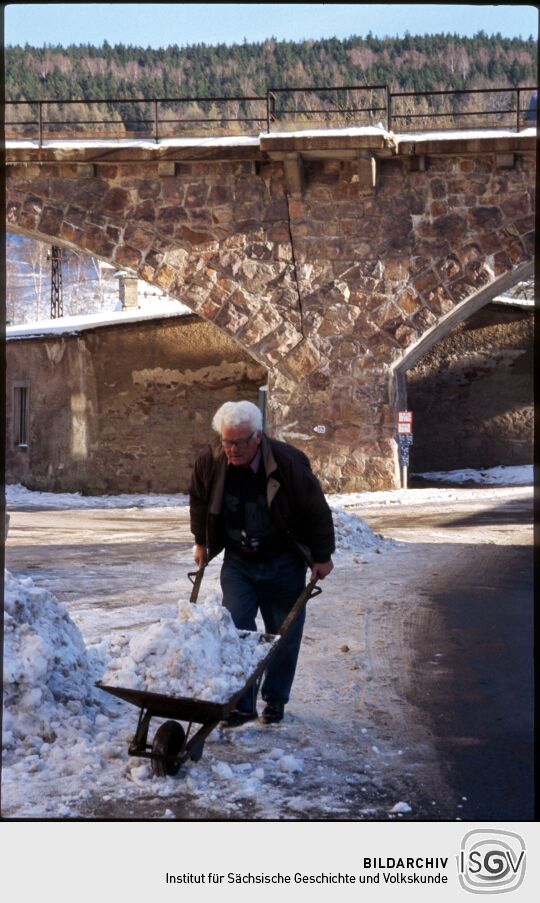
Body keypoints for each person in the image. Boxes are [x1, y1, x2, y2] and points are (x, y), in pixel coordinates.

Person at [189, 400, 335, 727]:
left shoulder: (288, 462)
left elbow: (316, 510)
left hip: (283, 560)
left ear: (257, 437)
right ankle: (242, 703)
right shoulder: (211, 461)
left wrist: (322, 556)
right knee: (237, 627)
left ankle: (275, 699)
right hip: (239, 560)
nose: (233, 449)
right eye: (228, 441)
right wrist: (201, 542)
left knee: (282, 634)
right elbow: (198, 501)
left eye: (240, 442)